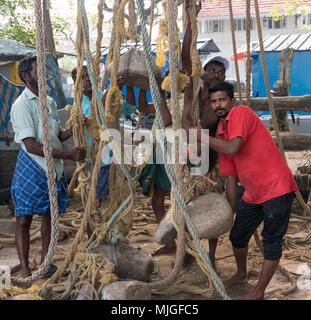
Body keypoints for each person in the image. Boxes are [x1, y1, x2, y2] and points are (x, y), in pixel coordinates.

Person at [197, 81, 298, 300]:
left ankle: (258, 292)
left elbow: (235, 147)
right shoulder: (221, 134)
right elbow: (231, 179)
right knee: (238, 236)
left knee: (271, 241)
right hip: (253, 195)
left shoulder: (241, 113)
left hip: (277, 189)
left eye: (222, 99)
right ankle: (241, 273)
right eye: (213, 101)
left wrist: (202, 137)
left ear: (232, 101)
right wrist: (230, 211)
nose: (218, 105)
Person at [11, 56, 86, 278]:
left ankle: (45, 262)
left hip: (53, 168)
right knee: (24, 219)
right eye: (38, 71)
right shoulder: (21, 106)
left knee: (50, 216)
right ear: (26, 76)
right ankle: (25, 269)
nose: (44, 74)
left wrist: (72, 128)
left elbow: (56, 136)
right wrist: (68, 155)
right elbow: (31, 144)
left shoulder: (50, 102)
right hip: (32, 167)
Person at [181, 0, 230, 269]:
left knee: (211, 208)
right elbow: (186, 57)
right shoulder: (191, 90)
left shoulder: (218, 106)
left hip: (209, 165)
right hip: (187, 162)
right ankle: (187, 251)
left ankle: (210, 255)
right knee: (186, 209)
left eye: (220, 72)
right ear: (203, 71)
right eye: (212, 69)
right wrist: (191, 19)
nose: (216, 74)